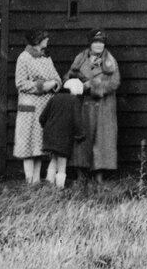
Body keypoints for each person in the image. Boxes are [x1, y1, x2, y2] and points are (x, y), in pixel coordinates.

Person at [67, 28, 122, 179]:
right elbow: (69, 75)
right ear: (90, 43)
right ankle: (80, 175)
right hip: (83, 103)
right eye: (95, 42)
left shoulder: (110, 60)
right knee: (81, 138)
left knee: (102, 139)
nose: (98, 45)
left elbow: (115, 82)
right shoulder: (81, 58)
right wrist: (76, 84)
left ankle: (99, 177)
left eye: (101, 42)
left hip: (104, 105)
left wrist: (94, 86)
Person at [13, 27, 61, 185]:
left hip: (45, 107)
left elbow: (57, 78)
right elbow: (20, 83)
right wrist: (41, 86)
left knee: (39, 145)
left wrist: (54, 84)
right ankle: (29, 181)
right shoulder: (24, 57)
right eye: (45, 38)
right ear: (37, 40)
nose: (47, 40)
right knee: (28, 143)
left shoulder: (46, 58)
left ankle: (37, 180)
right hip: (29, 107)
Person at [38, 79, 86, 189]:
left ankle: (49, 184)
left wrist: (48, 128)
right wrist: (80, 134)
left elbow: (42, 117)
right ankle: (59, 188)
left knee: (54, 158)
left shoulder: (54, 98)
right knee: (62, 163)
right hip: (64, 137)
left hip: (49, 135)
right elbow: (77, 120)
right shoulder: (74, 100)